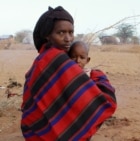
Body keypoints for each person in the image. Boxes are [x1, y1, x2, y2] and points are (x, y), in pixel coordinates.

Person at [21, 6, 117, 141]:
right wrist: (97, 77)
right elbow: (104, 101)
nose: (68, 38)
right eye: (61, 33)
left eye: (71, 33)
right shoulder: (56, 59)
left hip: (36, 130)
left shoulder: (45, 57)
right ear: (47, 35)